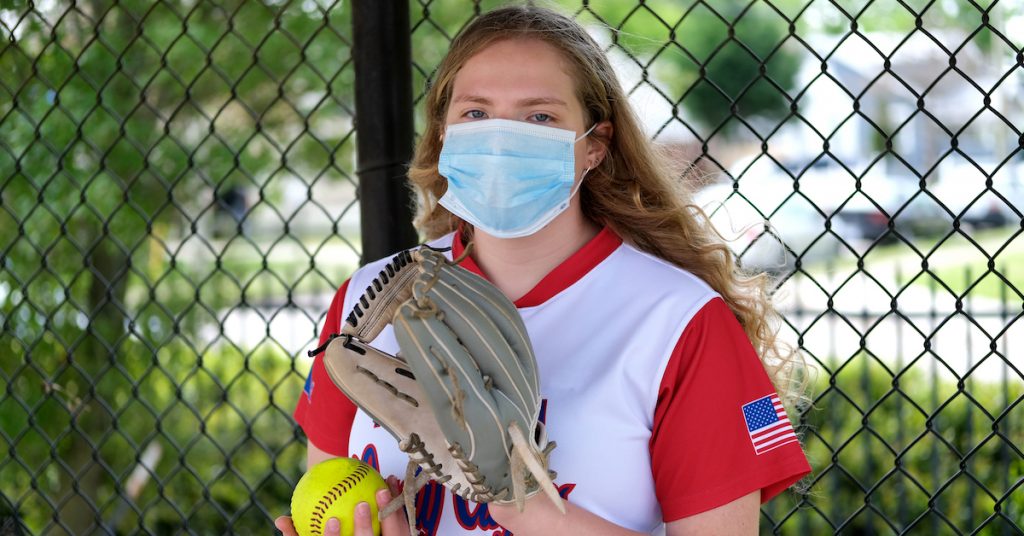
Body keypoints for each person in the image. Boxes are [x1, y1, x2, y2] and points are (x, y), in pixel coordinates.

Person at [277, 5, 812, 535]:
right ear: (443, 134)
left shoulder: (681, 322)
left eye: (540, 117)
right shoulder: (370, 301)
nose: (502, 139)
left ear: (595, 147)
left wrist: (526, 505)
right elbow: (325, 490)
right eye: (476, 114)